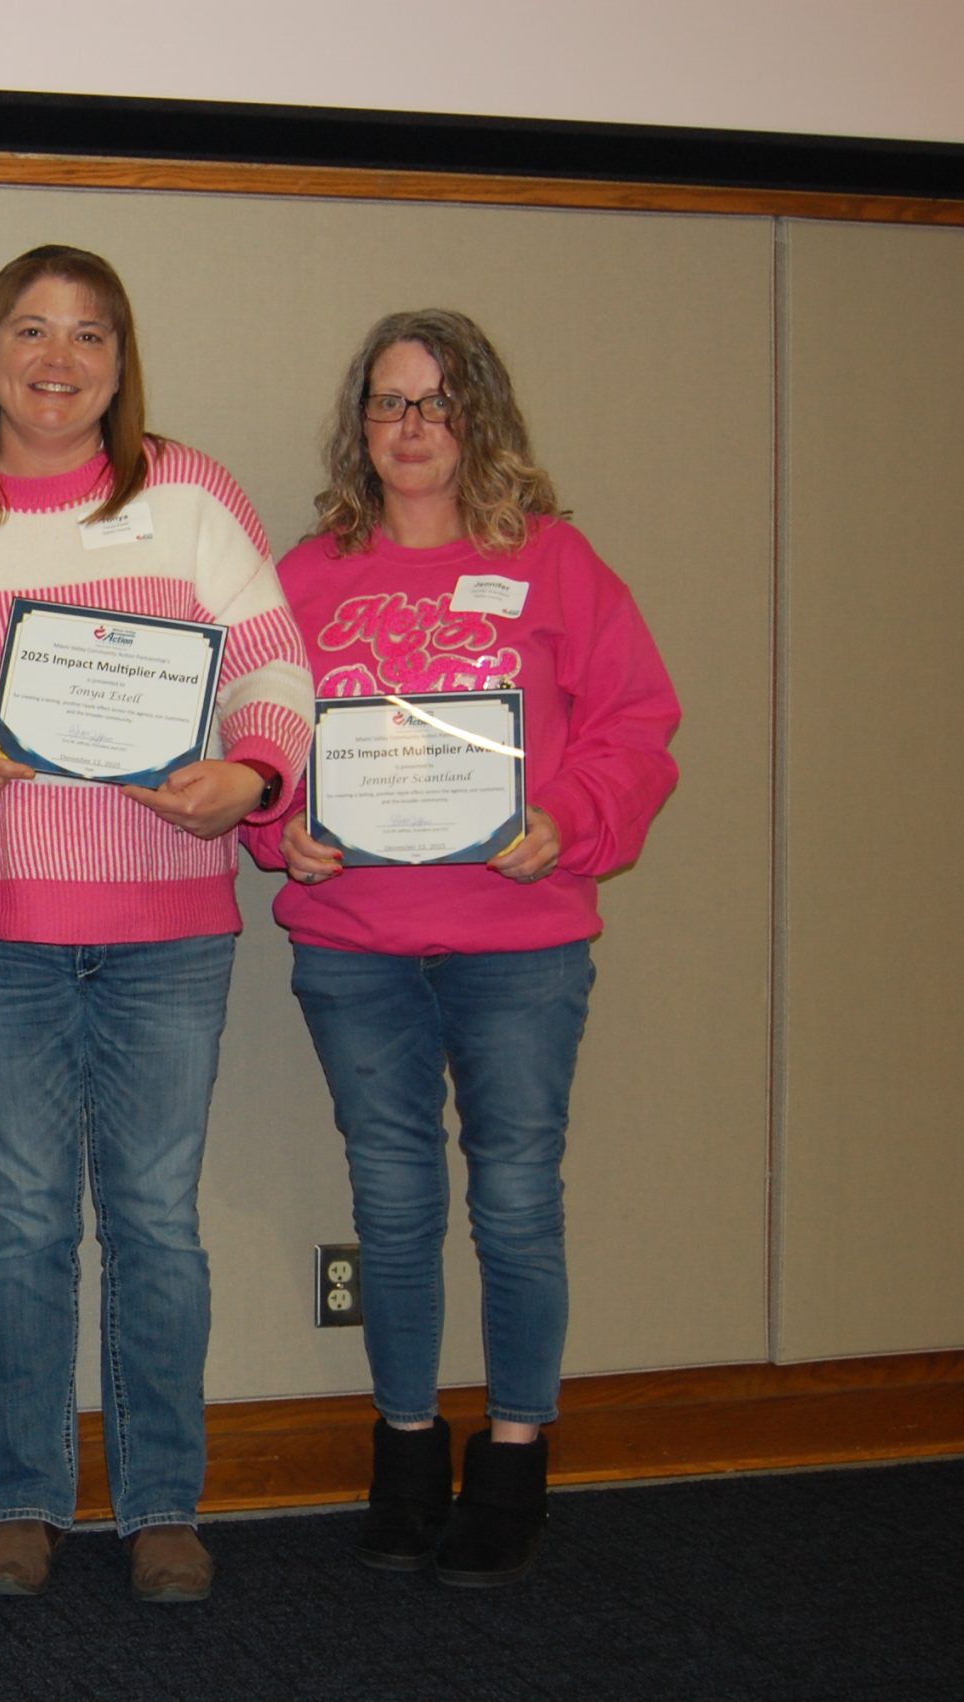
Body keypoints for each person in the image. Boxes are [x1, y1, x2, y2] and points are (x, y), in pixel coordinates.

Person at [0, 244, 312, 1604]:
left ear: (122, 362)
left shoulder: (188, 492)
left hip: (171, 921)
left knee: (157, 1220)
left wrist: (249, 778)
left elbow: (273, 666)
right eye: (34, 331)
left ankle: (162, 1498)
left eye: (92, 335)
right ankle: (25, 1498)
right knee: (25, 1222)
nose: (61, 359)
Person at [242, 308, 679, 1586]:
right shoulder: (306, 576)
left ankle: (516, 1458)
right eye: (389, 403)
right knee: (389, 1207)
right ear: (358, 427)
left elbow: (636, 722)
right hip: (355, 942)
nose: (412, 427)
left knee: (517, 1202)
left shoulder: (553, 562)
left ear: (477, 418)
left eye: (437, 403)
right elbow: (253, 737)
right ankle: (405, 1450)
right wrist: (284, 829)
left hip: (517, 944)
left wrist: (571, 821)